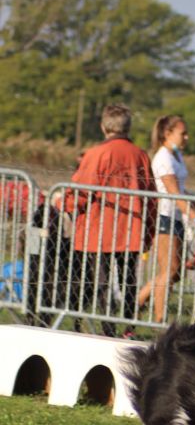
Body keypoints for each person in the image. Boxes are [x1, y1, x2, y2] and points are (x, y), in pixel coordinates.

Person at [61, 104, 155, 337]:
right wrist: (149, 230)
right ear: (128, 126)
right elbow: (151, 195)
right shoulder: (140, 155)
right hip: (131, 227)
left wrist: (68, 206)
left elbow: (82, 189)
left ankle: (107, 327)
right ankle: (128, 326)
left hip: (99, 228)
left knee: (101, 282)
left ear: (104, 127)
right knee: (129, 280)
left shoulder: (95, 154)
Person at [138, 115, 195, 323]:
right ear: (168, 134)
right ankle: (159, 320)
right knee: (169, 271)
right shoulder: (163, 158)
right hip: (164, 217)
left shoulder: (176, 156)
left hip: (175, 216)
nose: (187, 137)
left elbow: (182, 191)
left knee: (175, 273)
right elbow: (174, 192)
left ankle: (136, 303)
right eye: (182, 133)